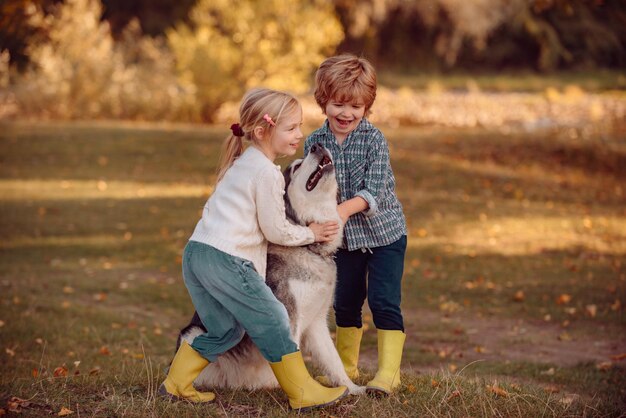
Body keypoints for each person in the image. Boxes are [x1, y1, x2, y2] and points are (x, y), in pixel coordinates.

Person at [159, 88, 348, 410]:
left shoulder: (241, 163)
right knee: (274, 317)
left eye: (298, 127)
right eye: (290, 129)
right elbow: (275, 229)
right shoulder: (267, 174)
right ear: (263, 132)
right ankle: (302, 391)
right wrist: (310, 233)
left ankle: (175, 383)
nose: (298, 135)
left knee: (226, 328)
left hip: (197, 254)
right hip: (227, 259)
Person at [304, 54, 408, 395]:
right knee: (345, 302)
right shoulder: (314, 144)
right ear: (324, 102)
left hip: (385, 236)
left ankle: (389, 374)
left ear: (367, 107)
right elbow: (310, 188)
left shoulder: (374, 140)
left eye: (357, 107)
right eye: (338, 104)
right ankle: (346, 367)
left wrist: (342, 210)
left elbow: (372, 191)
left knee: (382, 301)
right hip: (343, 241)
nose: (346, 114)